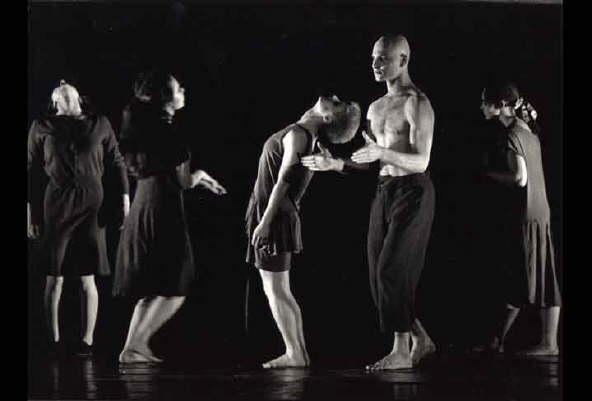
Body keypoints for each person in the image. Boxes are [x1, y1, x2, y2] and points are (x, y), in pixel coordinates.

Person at [302, 35, 437, 370]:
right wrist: (337, 164)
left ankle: (400, 351)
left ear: (403, 60)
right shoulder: (375, 108)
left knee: (392, 269)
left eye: (383, 59)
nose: (375, 65)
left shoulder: (417, 103)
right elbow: (370, 160)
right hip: (383, 189)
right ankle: (420, 338)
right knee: (379, 275)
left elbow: (421, 161)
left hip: (413, 192)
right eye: (374, 58)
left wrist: (382, 153)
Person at [113, 70, 227, 363]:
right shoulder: (168, 133)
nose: (183, 91)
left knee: (155, 286)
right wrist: (201, 176)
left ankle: (133, 348)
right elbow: (183, 182)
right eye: (178, 89)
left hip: (143, 205)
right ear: (165, 98)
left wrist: (200, 177)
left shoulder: (143, 130)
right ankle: (136, 345)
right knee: (177, 285)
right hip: (162, 209)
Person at [246, 95, 361, 368]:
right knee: (280, 290)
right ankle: (298, 353)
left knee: (275, 290)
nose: (333, 97)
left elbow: (283, 181)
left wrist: (265, 221)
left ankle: (295, 353)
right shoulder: (306, 135)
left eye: (337, 103)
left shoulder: (300, 136)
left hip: (274, 215)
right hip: (274, 214)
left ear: (328, 116)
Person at [27, 80, 130, 356]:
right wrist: (30, 212)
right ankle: (53, 341)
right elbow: (30, 169)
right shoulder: (42, 126)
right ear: (54, 102)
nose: (63, 84)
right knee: (54, 276)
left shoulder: (100, 124)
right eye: (58, 90)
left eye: (68, 86)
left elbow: (117, 162)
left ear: (79, 98)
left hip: (91, 206)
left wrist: (125, 200)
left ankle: (87, 341)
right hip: (56, 206)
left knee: (88, 275)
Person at [480, 81, 561, 356]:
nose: (481, 106)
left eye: (485, 101)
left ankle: (497, 342)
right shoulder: (528, 131)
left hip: (526, 213)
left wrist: (488, 175)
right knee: (544, 274)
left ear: (501, 105)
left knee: (518, 277)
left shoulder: (511, 134)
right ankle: (547, 343)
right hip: (541, 211)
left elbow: (519, 178)